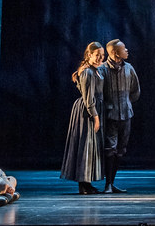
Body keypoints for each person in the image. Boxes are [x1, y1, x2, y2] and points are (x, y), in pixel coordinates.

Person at [61, 41, 106, 194]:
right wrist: (96, 117)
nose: (100, 58)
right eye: (97, 55)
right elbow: (88, 98)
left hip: (93, 109)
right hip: (87, 112)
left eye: (102, 55)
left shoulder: (95, 70)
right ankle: (83, 184)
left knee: (90, 147)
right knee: (86, 145)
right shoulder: (87, 72)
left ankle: (87, 183)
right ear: (89, 55)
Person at [99, 38, 140, 193]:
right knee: (110, 148)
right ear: (115, 53)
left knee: (121, 149)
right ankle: (108, 184)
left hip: (126, 114)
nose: (127, 50)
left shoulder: (129, 68)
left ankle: (112, 182)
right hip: (110, 115)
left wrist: (126, 103)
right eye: (124, 49)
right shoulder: (102, 69)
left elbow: (135, 91)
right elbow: (97, 92)